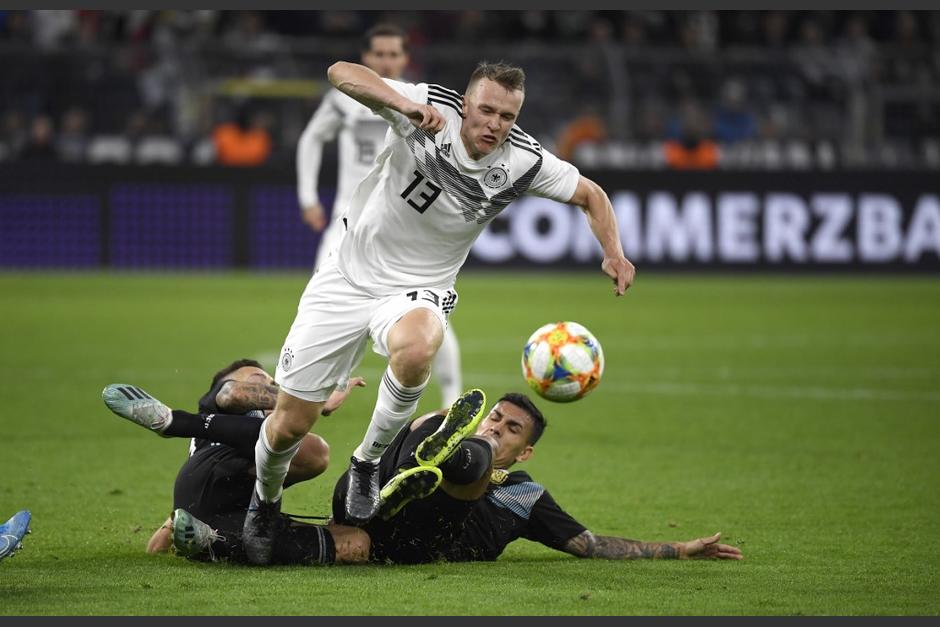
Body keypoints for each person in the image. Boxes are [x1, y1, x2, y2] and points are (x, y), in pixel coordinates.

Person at [247, 57, 637, 564]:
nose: (494, 125)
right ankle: (264, 502)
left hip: (419, 289)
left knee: (418, 347)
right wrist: (403, 105)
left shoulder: (524, 161)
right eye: (486, 110)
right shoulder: (428, 106)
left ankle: (367, 462)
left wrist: (614, 250)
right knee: (288, 427)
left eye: (508, 117)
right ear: (467, 102)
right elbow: (340, 72)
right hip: (345, 279)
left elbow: (592, 194)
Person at [168, 390, 741, 565]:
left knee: (467, 466)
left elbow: (590, 545)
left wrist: (679, 550)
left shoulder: (526, 495)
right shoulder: (485, 447)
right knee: (435, 429)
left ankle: (427, 469)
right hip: (360, 500)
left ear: (526, 452)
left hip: (418, 542)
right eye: (495, 418)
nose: (499, 427)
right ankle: (404, 467)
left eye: (511, 429)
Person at [296, 23, 464, 408]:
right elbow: (311, 138)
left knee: (428, 313)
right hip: (345, 222)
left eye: (393, 55)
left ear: (405, 59)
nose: (386, 61)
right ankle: (318, 389)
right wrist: (308, 198)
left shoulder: (422, 102)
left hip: (397, 224)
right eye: (379, 55)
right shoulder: (345, 98)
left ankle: (452, 403)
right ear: (366, 57)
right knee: (324, 305)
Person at [101, 360, 370, 565]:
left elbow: (157, 545)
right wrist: (311, 401)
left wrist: (167, 531)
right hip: (218, 465)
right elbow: (235, 394)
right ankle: (174, 421)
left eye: (272, 383)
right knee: (315, 450)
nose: (269, 386)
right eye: (259, 379)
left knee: (357, 542)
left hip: (230, 512)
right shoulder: (219, 402)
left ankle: (210, 543)